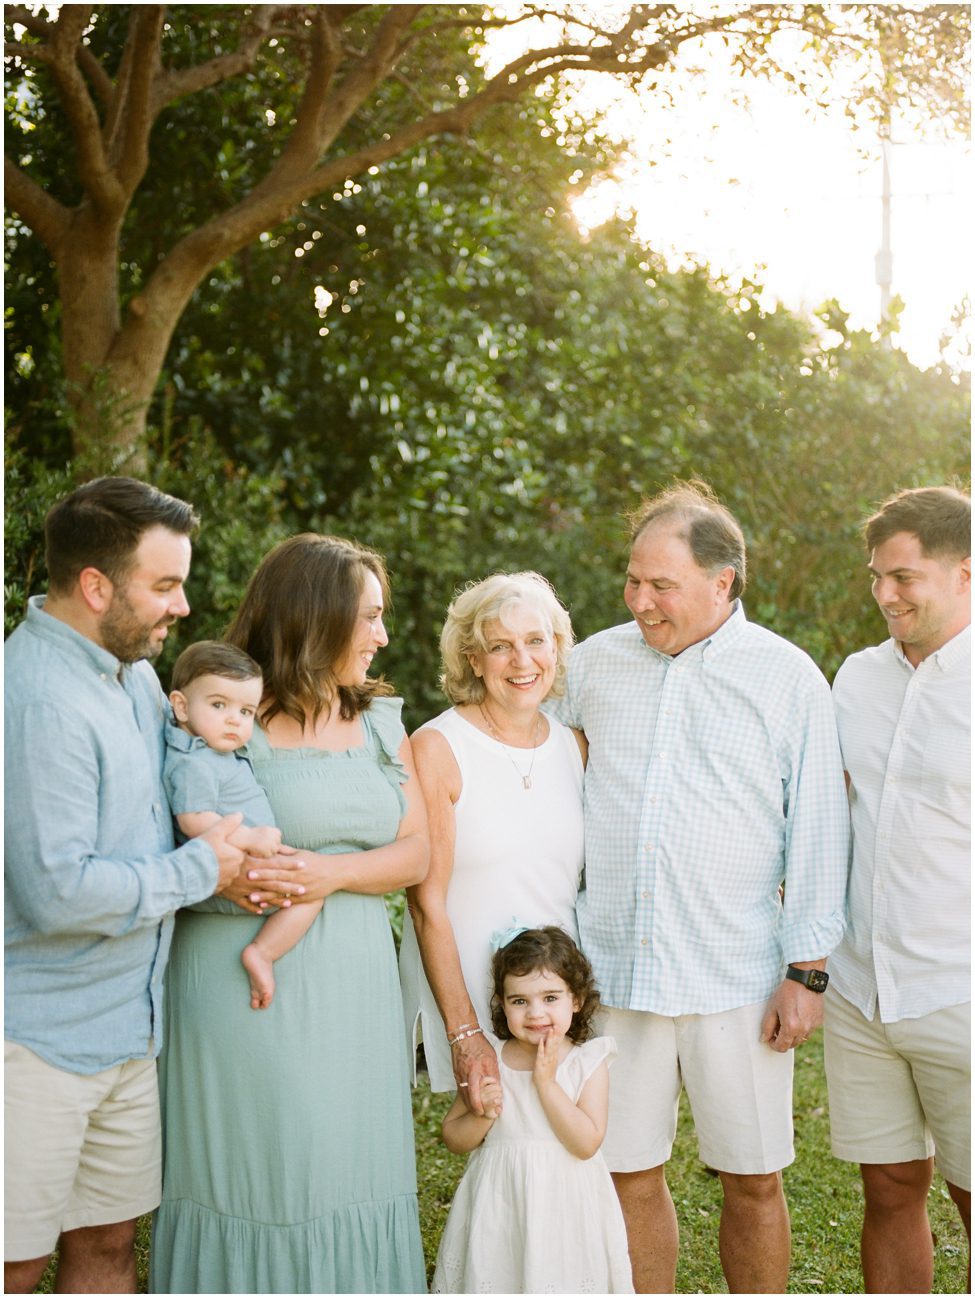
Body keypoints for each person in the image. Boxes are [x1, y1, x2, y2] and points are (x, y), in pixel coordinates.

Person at [3, 477, 300, 1295]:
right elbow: (57, 892)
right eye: (164, 585)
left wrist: (233, 874)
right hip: (36, 1045)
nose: (182, 605)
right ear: (96, 587)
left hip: (131, 1034)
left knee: (106, 1244)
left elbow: (151, 839)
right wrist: (207, 867)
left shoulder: (134, 680)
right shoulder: (38, 703)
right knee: (14, 1263)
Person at [552, 480, 850, 1294]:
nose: (639, 601)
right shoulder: (589, 665)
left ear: (722, 583)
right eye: (632, 580)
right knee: (625, 1173)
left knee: (752, 1180)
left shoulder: (787, 678)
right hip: (615, 970)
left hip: (737, 976)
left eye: (661, 585)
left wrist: (806, 970)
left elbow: (819, 830)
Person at [151, 533, 430, 1295]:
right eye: (368, 617)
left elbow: (416, 855)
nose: (381, 634)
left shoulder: (379, 719)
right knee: (261, 1171)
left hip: (356, 986)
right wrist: (242, 878)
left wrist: (328, 872)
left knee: (349, 1165)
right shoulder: (226, 717)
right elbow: (167, 837)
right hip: (243, 988)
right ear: (316, 619)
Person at [825, 485, 971, 1294]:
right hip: (858, 989)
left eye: (904, 577)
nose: (884, 594)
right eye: (876, 575)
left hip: (960, 986)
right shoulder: (855, 677)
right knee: (886, 1189)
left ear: (964, 574)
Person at [399, 571, 586, 1114]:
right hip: (474, 996)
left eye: (535, 641)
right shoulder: (437, 747)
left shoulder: (575, 747)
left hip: (552, 1002)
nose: (522, 661)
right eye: (499, 647)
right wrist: (465, 1033)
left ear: (555, 648)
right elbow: (424, 904)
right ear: (473, 660)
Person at [432, 926, 634, 1295]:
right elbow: (453, 1137)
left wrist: (546, 1084)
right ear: (502, 1004)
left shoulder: (587, 1062)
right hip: (500, 1203)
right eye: (519, 1001)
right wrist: (481, 1115)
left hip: (565, 1206)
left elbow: (586, 1143)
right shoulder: (490, 1058)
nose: (536, 1013)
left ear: (576, 999)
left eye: (551, 997)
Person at [165, 639, 325, 1009]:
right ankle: (262, 953)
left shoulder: (214, 753)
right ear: (181, 706)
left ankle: (263, 950)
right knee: (310, 888)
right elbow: (194, 820)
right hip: (234, 871)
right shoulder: (193, 762)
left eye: (246, 711)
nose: (234, 719)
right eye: (219, 705)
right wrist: (249, 837)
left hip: (249, 863)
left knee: (311, 880)